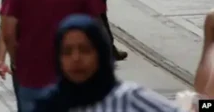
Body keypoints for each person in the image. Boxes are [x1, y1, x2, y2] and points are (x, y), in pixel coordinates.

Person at [33, 15, 181, 111]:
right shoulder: (47, 104)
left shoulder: (128, 98)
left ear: (101, 54)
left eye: (85, 50)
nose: (76, 58)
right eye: (67, 52)